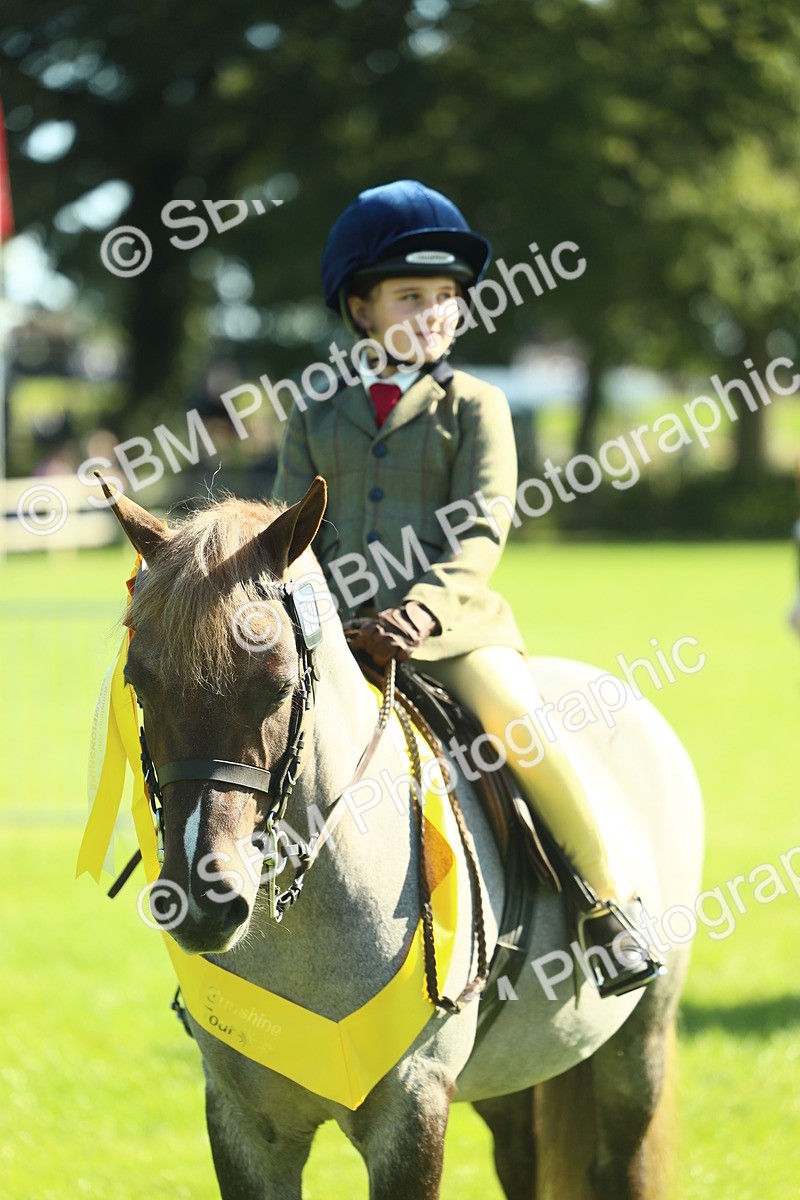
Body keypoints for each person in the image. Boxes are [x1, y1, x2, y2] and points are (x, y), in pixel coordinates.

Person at [273, 179, 663, 998]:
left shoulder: (478, 406)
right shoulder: (314, 410)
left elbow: (483, 527)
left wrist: (421, 608)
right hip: (335, 628)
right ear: (360, 308)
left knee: (518, 721)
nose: (434, 312)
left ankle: (605, 904)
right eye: (410, 295)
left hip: (450, 629)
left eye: (448, 298)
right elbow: (287, 529)